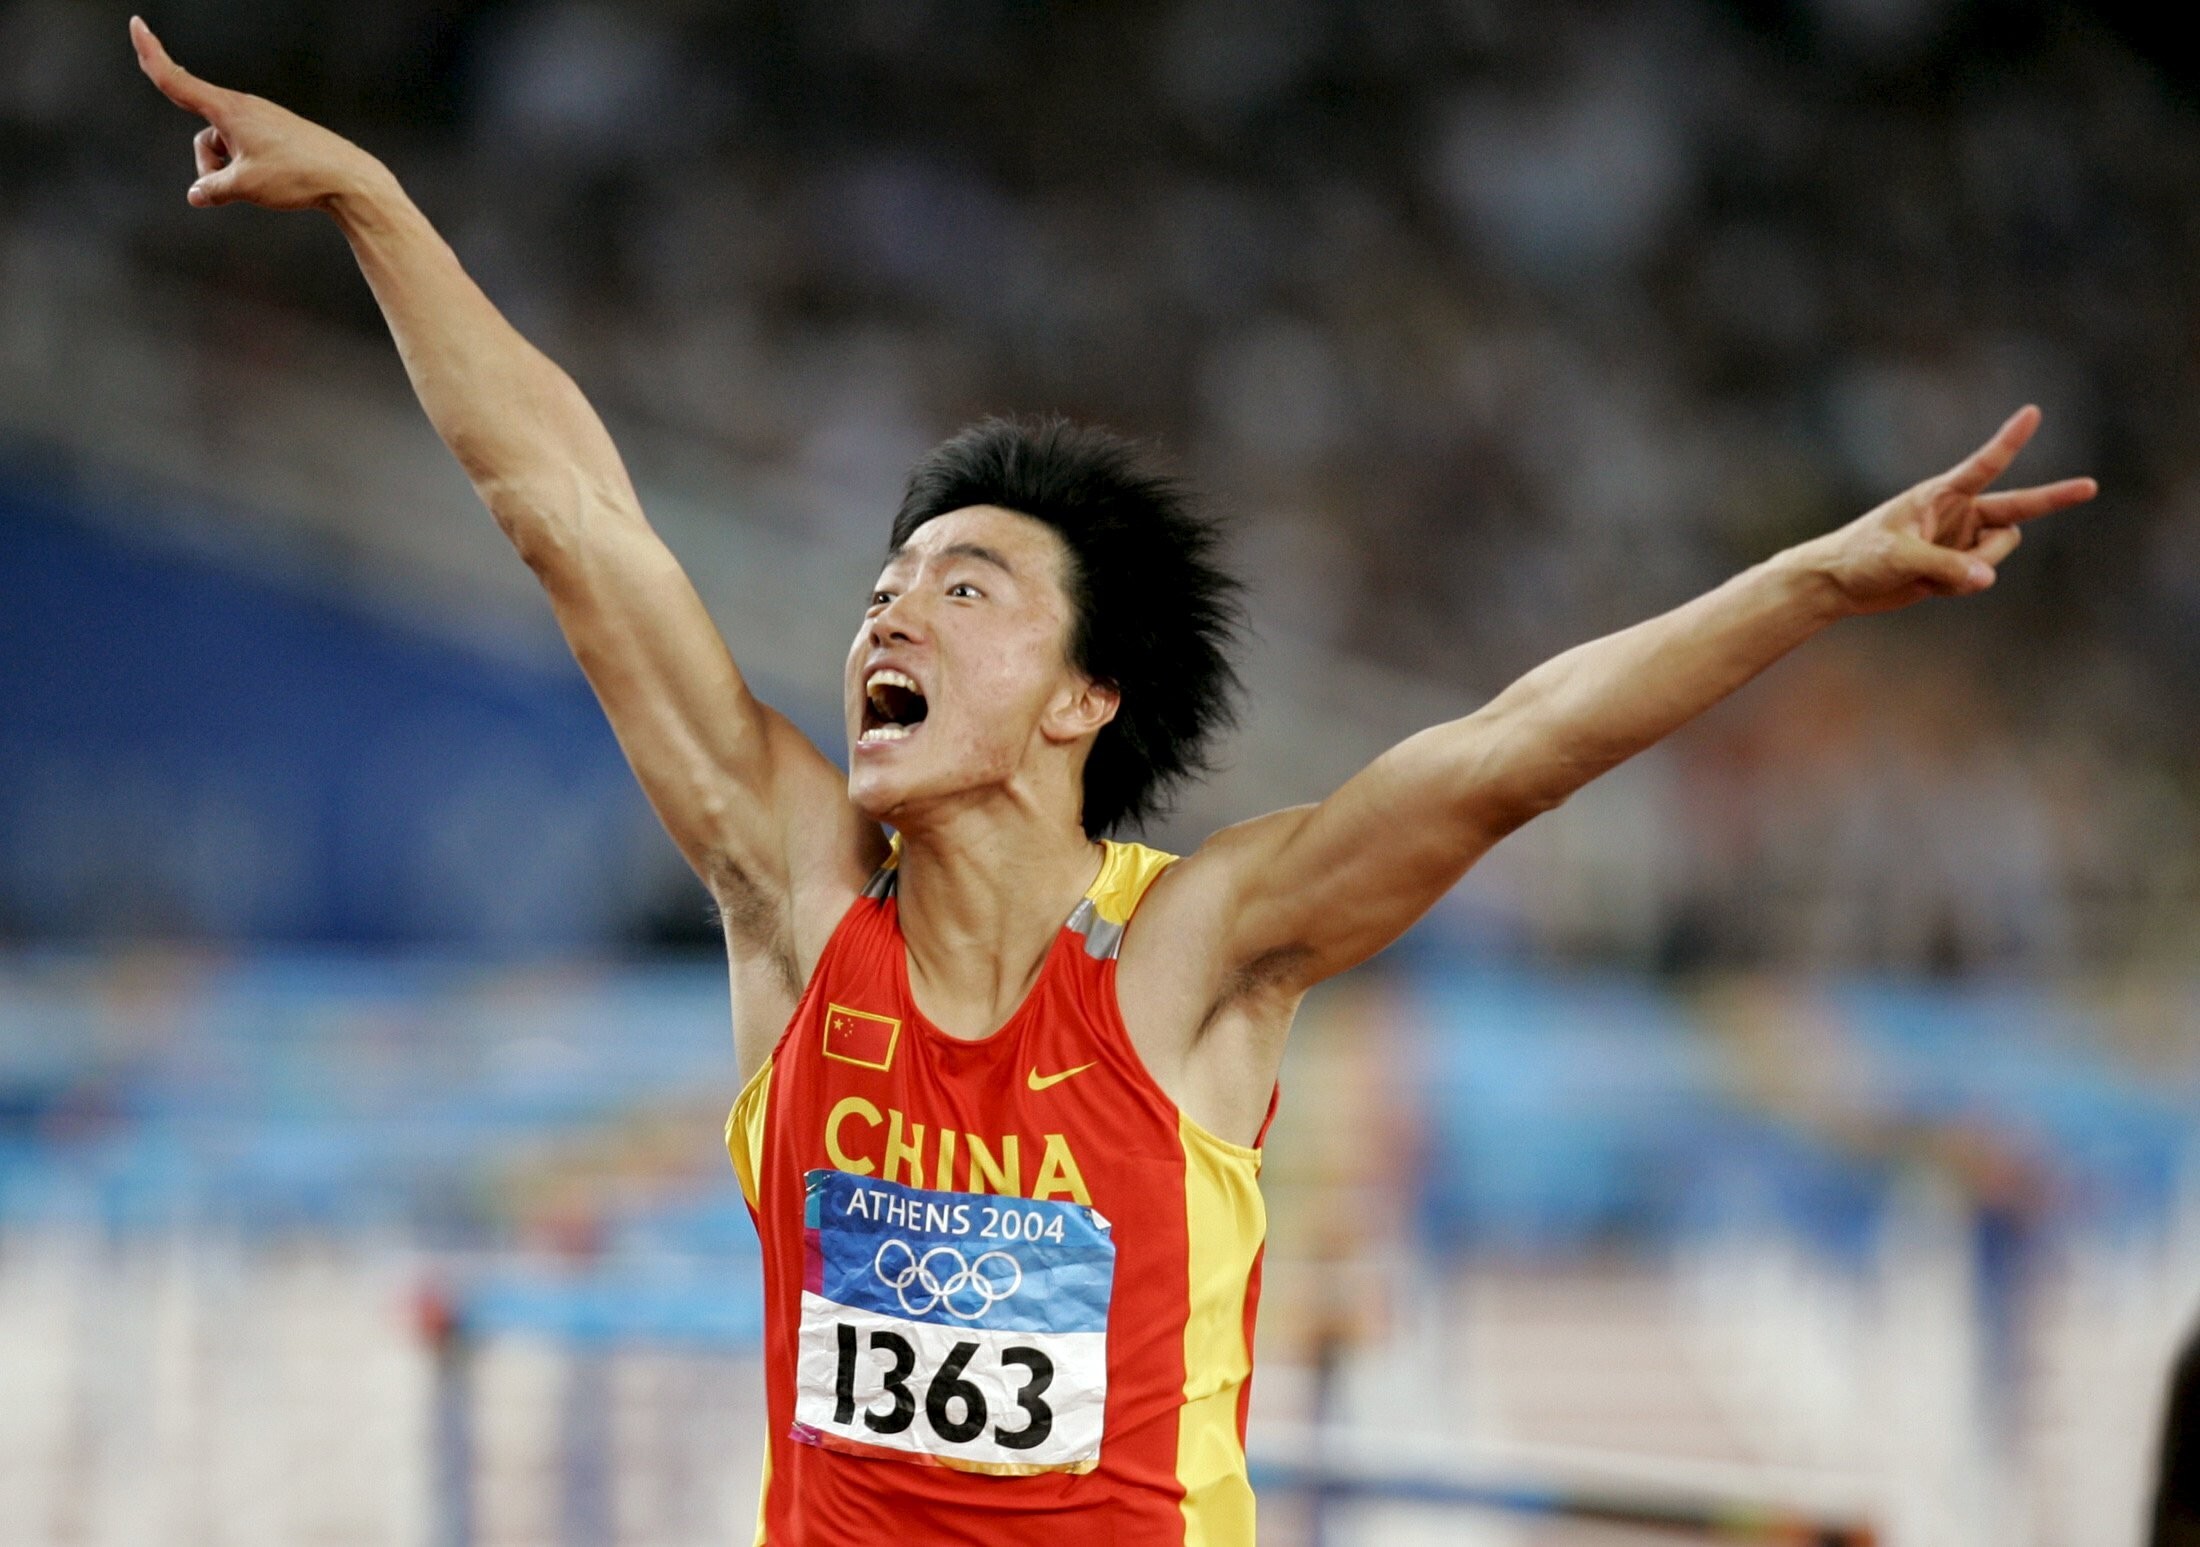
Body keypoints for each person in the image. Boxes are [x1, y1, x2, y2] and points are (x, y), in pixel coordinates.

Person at [131, 16, 2098, 1544]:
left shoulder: (1199, 963)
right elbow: (568, 514)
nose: (884, 617)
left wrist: (1812, 581)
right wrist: (380, 206)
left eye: (963, 588)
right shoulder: (797, 907)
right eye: (885, 585)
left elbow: (1509, 755)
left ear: (1084, 698)